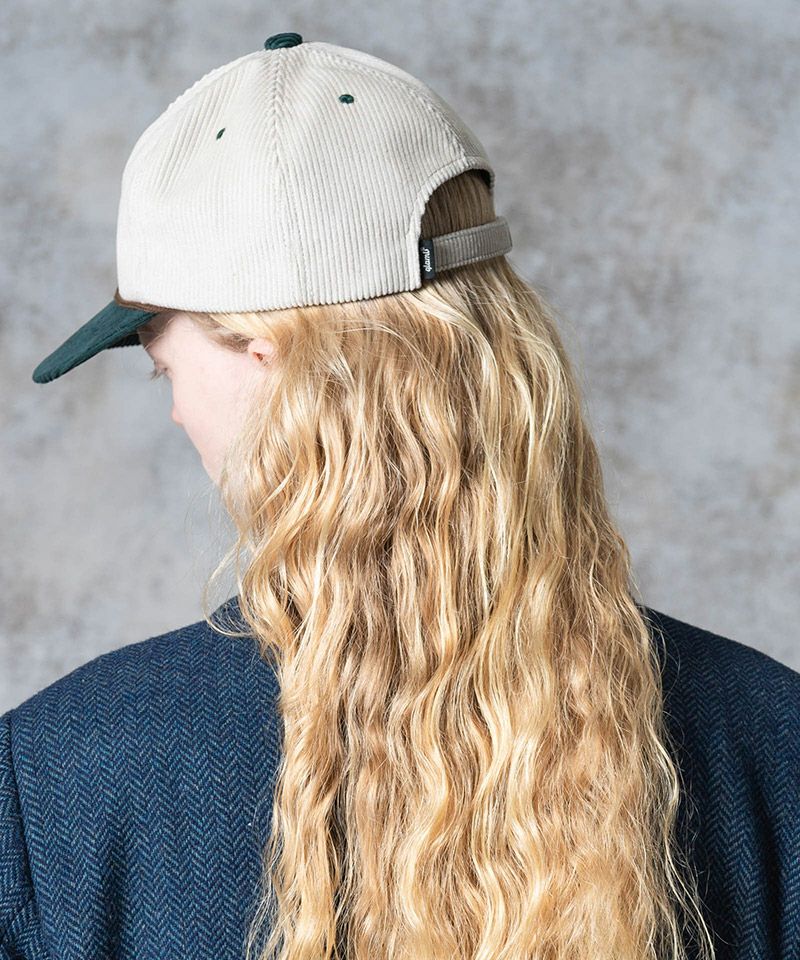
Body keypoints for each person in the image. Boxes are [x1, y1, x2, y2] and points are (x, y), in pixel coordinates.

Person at [4, 32, 798, 960]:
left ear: (269, 366)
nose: (178, 411)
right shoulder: (774, 748)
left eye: (163, 369)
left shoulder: (55, 779)